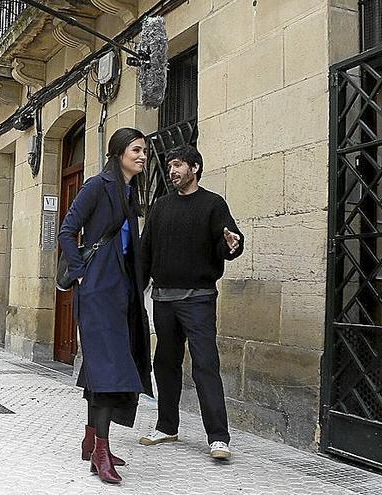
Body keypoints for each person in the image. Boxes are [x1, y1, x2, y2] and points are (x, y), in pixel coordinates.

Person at [58, 127, 153, 484]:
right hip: (98, 291)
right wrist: (81, 274)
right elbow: (68, 230)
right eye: (136, 150)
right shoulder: (98, 185)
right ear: (118, 153)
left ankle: (91, 439)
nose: (142, 156)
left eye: (144, 150)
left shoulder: (130, 190)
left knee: (106, 366)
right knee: (110, 370)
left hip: (123, 290)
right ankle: (101, 452)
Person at [138, 144, 244, 460]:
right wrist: (135, 292)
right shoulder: (160, 207)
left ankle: (218, 438)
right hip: (164, 299)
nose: (172, 171)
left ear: (194, 168)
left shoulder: (213, 204)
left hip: (198, 300)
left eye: (178, 165)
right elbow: (145, 253)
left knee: (205, 364)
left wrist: (233, 246)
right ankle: (167, 426)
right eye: (170, 166)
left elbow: (229, 241)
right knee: (165, 364)